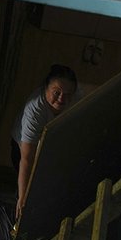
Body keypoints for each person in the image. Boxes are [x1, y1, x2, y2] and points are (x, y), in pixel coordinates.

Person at [11, 64, 78, 222]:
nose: (62, 98)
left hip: (47, 143)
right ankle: (20, 212)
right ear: (45, 88)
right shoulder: (35, 111)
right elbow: (26, 159)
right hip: (22, 147)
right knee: (25, 191)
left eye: (68, 94)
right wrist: (22, 198)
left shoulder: (74, 95)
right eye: (56, 92)